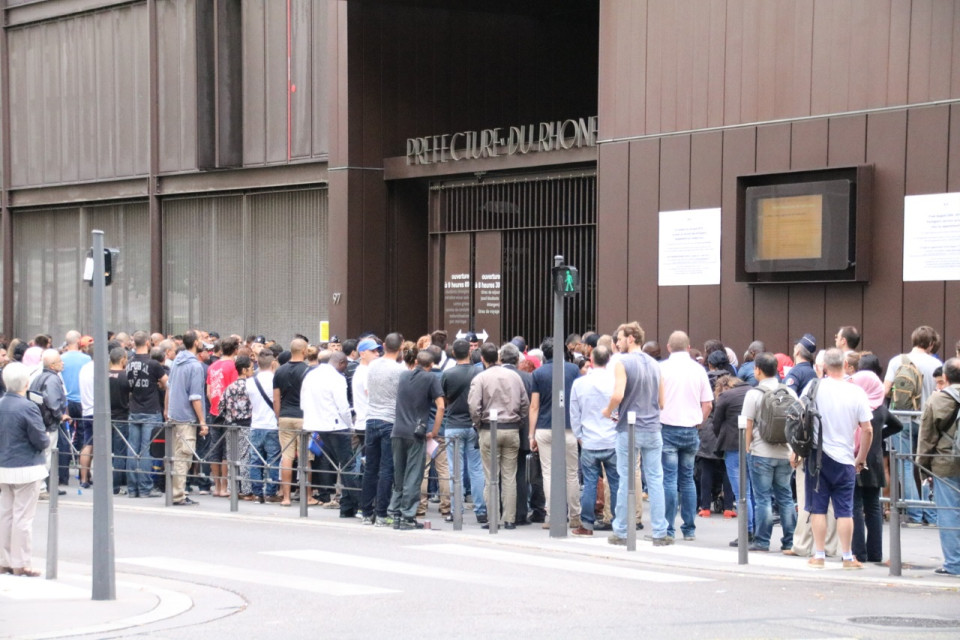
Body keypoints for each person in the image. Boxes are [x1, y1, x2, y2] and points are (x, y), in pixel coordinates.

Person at [801, 348, 873, 569]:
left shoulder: (813, 388)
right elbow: (867, 429)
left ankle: (819, 555)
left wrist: (797, 452)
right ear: (845, 365)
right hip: (845, 457)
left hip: (817, 456)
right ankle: (848, 556)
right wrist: (860, 457)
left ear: (823, 367)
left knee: (818, 508)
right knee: (845, 510)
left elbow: (799, 420)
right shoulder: (857, 392)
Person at [604, 322, 668, 546]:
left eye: (620, 338)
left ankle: (621, 530)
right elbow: (662, 402)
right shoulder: (655, 364)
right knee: (656, 480)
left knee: (626, 479)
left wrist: (607, 410)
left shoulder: (622, 362)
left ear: (631, 338)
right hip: (653, 428)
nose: (618, 342)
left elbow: (618, 394)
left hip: (629, 429)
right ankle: (660, 531)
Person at [884, 325, 943, 525]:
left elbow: (885, 391)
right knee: (927, 466)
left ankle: (915, 515)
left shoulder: (897, 361)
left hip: (901, 419)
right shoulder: (935, 364)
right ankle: (932, 515)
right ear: (932, 343)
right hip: (927, 420)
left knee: (906, 467)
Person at [658, 331, 713, 542]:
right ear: (689, 347)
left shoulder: (661, 368)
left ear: (669, 347)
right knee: (688, 479)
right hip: (691, 429)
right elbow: (707, 403)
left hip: (667, 428)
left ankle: (668, 527)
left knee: (669, 479)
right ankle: (689, 528)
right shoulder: (698, 370)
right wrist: (699, 420)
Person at [468, 342, 529, 529]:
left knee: (491, 475)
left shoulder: (480, 378)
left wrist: (478, 424)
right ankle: (510, 519)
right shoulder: (515, 377)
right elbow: (524, 403)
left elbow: (473, 406)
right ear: (499, 357)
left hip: (488, 429)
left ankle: (493, 517)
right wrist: (518, 420)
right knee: (510, 476)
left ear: (483, 359)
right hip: (511, 429)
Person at [741, 353, 797, 553]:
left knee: (763, 498)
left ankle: (762, 541)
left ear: (757, 369)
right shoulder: (790, 392)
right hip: (785, 453)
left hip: (761, 452)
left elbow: (748, 425)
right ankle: (790, 541)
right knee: (786, 497)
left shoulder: (754, 394)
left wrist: (747, 448)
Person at [849, 355, 902, 563]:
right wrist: (880, 437)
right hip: (876, 460)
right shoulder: (881, 408)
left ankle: (858, 552)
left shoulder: (857, 406)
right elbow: (899, 425)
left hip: (856, 458)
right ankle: (876, 553)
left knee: (855, 506)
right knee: (873, 507)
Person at [0, 362, 51, 577]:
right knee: (23, 517)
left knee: (5, 514)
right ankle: (21, 563)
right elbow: (40, 440)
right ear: (26, 383)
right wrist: (46, 439)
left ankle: (4, 560)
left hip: (3, 465)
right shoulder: (28, 406)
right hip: (27, 466)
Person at [529, 337, 581, 530]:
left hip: (544, 426)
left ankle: (551, 515)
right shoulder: (573, 370)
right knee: (572, 473)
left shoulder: (538, 373)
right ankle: (575, 515)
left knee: (548, 473)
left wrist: (531, 435)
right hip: (569, 427)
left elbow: (534, 406)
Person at [301, 351, 360, 518]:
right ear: (341, 363)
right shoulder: (337, 378)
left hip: (317, 424)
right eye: (345, 366)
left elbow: (304, 401)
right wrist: (350, 425)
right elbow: (343, 406)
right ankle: (358, 505)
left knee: (340, 464)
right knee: (347, 465)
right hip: (336, 425)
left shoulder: (311, 375)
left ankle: (347, 507)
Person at [389, 351, 444, 530]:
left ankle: (394, 513)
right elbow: (441, 406)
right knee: (414, 474)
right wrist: (434, 431)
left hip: (397, 430)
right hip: (416, 432)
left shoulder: (403, 375)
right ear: (431, 364)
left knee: (399, 473)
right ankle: (407, 515)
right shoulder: (430, 379)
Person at [916, 357, 960, 576]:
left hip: (945, 464)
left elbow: (927, 438)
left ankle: (954, 563)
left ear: (946, 377)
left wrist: (922, 466)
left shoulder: (937, 400)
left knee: (949, 513)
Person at [570, 345, 619, 536]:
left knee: (589, 483)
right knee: (615, 483)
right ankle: (618, 522)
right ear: (609, 360)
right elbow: (620, 410)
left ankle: (587, 524)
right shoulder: (616, 382)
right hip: (612, 439)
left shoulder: (580, 383)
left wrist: (579, 435)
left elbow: (574, 413)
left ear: (591, 359)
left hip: (589, 439)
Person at [441, 339, 486, 524]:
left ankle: (455, 509)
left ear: (453, 353)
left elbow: (443, 399)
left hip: (453, 425)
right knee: (476, 469)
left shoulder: (447, 374)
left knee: (455, 470)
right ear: (470, 351)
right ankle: (481, 510)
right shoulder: (479, 372)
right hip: (474, 425)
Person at [362, 334, 404, 527]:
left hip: (371, 419)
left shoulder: (372, 366)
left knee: (370, 467)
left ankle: (365, 512)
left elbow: (368, 390)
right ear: (401, 347)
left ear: (384, 346)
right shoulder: (400, 370)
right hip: (390, 420)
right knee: (387, 468)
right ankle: (381, 514)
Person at [165, 331, 209, 506]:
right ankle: (178, 495)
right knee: (184, 456)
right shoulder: (195, 366)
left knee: (177, 456)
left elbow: (169, 386)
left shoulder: (176, 361)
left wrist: (167, 410)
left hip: (175, 414)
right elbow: (195, 397)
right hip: (187, 417)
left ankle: (176, 492)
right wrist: (202, 421)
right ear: (196, 342)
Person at [125, 331, 167, 498]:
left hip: (134, 409)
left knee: (132, 450)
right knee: (146, 450)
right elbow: (166, 383)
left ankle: (132, 488)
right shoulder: (153, 364)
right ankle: (144, 488)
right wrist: (159, 386)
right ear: (148, 343)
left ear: (134, 343)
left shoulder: (128, 363)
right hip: (151, 410)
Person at [272, 338, 311, 507]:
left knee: (286, 457)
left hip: (285, 416)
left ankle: (286, 497)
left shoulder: (279, 371)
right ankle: (307, 496)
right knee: (305, 458)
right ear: (304, 351)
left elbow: (276, 399)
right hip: (303, 417)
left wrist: (279, 416)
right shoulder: (309, 371)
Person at [28, 349, 68, 499]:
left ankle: (40, 487)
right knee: (47, 456)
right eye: (59, 361)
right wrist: (60, 415)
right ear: (52, 365)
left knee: (41, 455)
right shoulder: (53, 380)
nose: (62, 363)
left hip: (38, 421)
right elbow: (52, 401)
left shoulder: (38, 377)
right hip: (48, 423)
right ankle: (42, 488)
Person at [246, 350, 281, 502]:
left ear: (257, 363)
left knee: (255, 459)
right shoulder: (276, 379)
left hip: (256, 424)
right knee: (273, 459)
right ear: (273, 363)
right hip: (272, 424)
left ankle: (257, 492)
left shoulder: (250, 381)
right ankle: (271, 492)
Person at [206, 336, 239, 498]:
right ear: (235, 350)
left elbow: (209, 391)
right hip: (228, 412)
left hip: (214, 410)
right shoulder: (233, 367)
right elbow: (233, 391)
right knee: (226, 450)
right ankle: (225, 486)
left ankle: (216, 485)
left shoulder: (212, 366)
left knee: (214, 448)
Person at [107, 347, 131, 494]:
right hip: (122, 417)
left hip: (106, 418)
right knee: (120, 453)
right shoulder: (125, 377)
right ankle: (116, 485)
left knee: (107, 452)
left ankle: (107, 483)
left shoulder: (104, 376)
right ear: (123, 359)